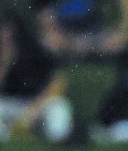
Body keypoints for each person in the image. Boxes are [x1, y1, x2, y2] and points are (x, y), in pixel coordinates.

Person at [0, 9, 74, 143]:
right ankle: (13, 136)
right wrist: (5, 62)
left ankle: (58, 141)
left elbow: (58, 84)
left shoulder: (36, 51)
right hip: (9, 106)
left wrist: (31, 113)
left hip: (35, 105)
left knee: (59, 106)